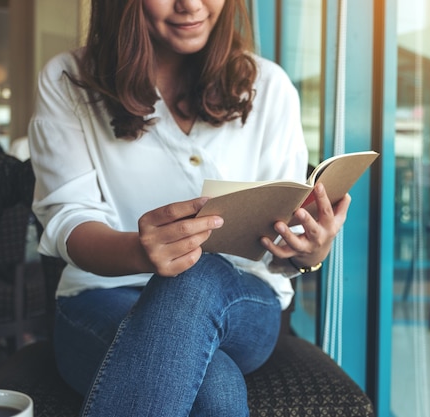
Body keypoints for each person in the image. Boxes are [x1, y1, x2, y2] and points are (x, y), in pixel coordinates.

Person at [28, 1, 350, 416]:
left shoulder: (269, 85)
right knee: (212, 387)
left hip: (243, 304)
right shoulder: (68, 80)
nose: (192, 5)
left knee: (198, 271)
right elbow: (66, 217)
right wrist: (140, 252)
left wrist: (312, 251)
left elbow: (282, 239)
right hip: (100, 299)